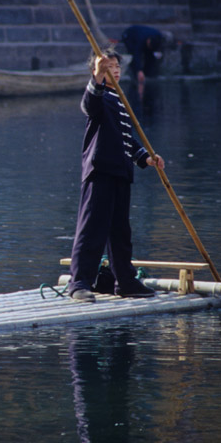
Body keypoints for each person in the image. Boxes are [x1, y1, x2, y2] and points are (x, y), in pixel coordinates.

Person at [67, 47, 164, 303]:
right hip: (100, 170)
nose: (116, 70)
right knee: (91, 229)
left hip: (121, 172)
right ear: (98, 71)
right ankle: (79, 283)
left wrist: (145, 157)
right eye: (109, 67)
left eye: (117, 67)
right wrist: (97, 77)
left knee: (121, 231)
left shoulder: (118, 99)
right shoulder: (99, 97)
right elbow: (89, 104)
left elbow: (126, 138)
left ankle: (125, 281)